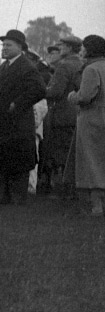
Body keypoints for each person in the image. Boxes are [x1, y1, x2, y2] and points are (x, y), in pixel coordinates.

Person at [0, 30, 47, 206]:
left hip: (18, 124)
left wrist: (18, 104)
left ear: (20, 47)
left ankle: (16, 199)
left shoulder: (26, 66)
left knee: (18, 163)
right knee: (2, 160)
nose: (5, 48)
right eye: (3, 45)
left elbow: (39, 90)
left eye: (9, 45)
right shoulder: (6, 66)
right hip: (3, 124)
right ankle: (0, 198)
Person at [42, 35, 83, 201]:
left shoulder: (64, 66)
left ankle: (62, 191)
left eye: (63, 46)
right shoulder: (81, 64)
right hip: (76, 115)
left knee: (59, 155)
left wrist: (41, 90)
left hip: (61, 116)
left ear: (70, 48)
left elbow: (55, 92)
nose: (60, 48)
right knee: (71, 155)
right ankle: (73, 191)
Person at [68, 34, 105, 216]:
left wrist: (72, 96)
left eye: (83, 47)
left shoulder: (91, 70)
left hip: (91, 120)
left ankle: (95, 206)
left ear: (90, 49)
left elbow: (85, 97)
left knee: (91, 161)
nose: (81, 51)